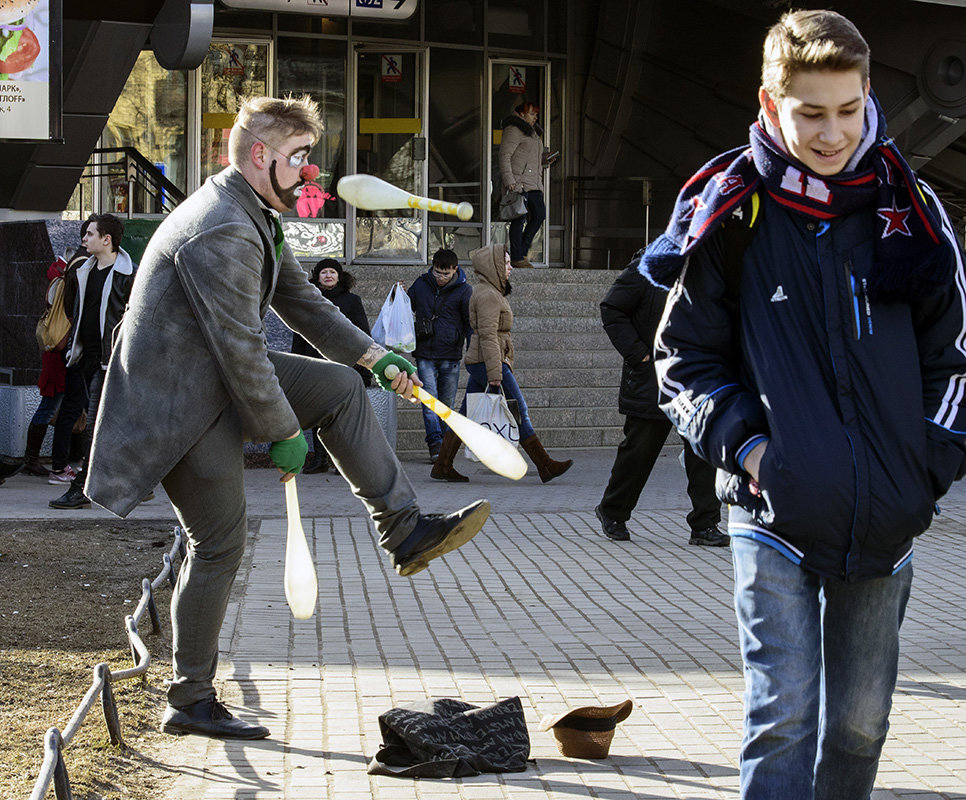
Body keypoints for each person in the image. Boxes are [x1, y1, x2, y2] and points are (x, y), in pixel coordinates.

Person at [85, 95, 491, 741]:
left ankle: (404, 528)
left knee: (341, 386)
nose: (310, 173)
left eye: (310, 158)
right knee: (218, 544)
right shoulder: (223, 226)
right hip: (177, 410)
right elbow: (243, 349)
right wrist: (282, 432)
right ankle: (189, 701)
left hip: (213, 382)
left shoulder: (256, 213)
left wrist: (374, 355)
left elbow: (301, 300)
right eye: (299, 158)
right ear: (259, 156)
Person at [643, 10, 966, 798]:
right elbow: (681, 359)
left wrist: (925, 465)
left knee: (860, 725)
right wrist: (752, 452)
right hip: (771, 517)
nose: (832, 135)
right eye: (810, 113)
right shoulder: (731, 211)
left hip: (886, 523)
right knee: (782, 718)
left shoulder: (913, 212)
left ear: (868, 97)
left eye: (849, 111)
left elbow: (955, 360)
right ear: (769, 104)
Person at [595, 264, 726, 546]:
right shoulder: (648, 267)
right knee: (639, 451)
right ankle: (613, 512)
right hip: (651, 378)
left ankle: (705, 524)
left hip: (695, 376)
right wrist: (639, 354)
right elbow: (612, 309)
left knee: (702, 451)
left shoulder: (711, 270)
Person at [432, 243, 573, 483]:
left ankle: (442, 465)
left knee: (465, 416)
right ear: (494, 266)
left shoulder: (490, 292)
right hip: (489, 361)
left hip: (487, 360)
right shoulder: (487, 294)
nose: (510, 268)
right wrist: (495, 372)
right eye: (506, 263)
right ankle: (544, 464)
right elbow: (487, 335)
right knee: (519, 410)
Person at [50, 214, 136, 509]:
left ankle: (80, 488)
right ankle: (130, 481)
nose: (84, 240)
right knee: (106, 423)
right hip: (84, 357)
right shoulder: (84, 270)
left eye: (89, 234)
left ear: (106, 239)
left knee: (92, 425)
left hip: (109, 359)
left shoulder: (128, 274)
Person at [292, 257, 371, 473]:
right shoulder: (308, 300)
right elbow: (298, 333)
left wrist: (364, 368)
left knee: (342, 415)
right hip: (314, 364)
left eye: (332, 272)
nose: (328, 275)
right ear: (317, 277)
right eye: (324, 272)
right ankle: (320, 459)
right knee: (318, 413)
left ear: (339, 276)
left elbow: (363, 333)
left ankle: (341, 462)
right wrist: (295, 362)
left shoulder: (351, 301)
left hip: (343, 364)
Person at [407, 248, 472, 462]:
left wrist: (471, 349)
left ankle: (445, 443)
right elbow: (406, 308)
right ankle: (435, 442)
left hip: (451, 353)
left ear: (455, 269)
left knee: (446, 403)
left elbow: (469, 323)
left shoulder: (464, 291)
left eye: (445, 274)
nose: (441, 277)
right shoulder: (421, 284)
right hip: (425, 351)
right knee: (429, 399)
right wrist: (399, 294)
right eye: (437, 272)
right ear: (432, 267)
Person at [21, 248, 74, 477]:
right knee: (51, 405)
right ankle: (33, 460)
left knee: (56, 404)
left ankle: (35, 459)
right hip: (58, 354)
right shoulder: (62, 282)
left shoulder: (57, 278)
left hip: (55, 352)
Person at [499, 101, 547, 268]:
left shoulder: (533, 134)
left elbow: (532, 160)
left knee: (539, 215)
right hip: (518, 183)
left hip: (533, 183)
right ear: (521, 114)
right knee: (519, 219)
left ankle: (522, 252)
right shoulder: (513, 130)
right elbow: (505, 155)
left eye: (536, 114)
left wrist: (545, 162)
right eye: (532, 114)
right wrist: (509, 180)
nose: (535, 117)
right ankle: (517, 257)